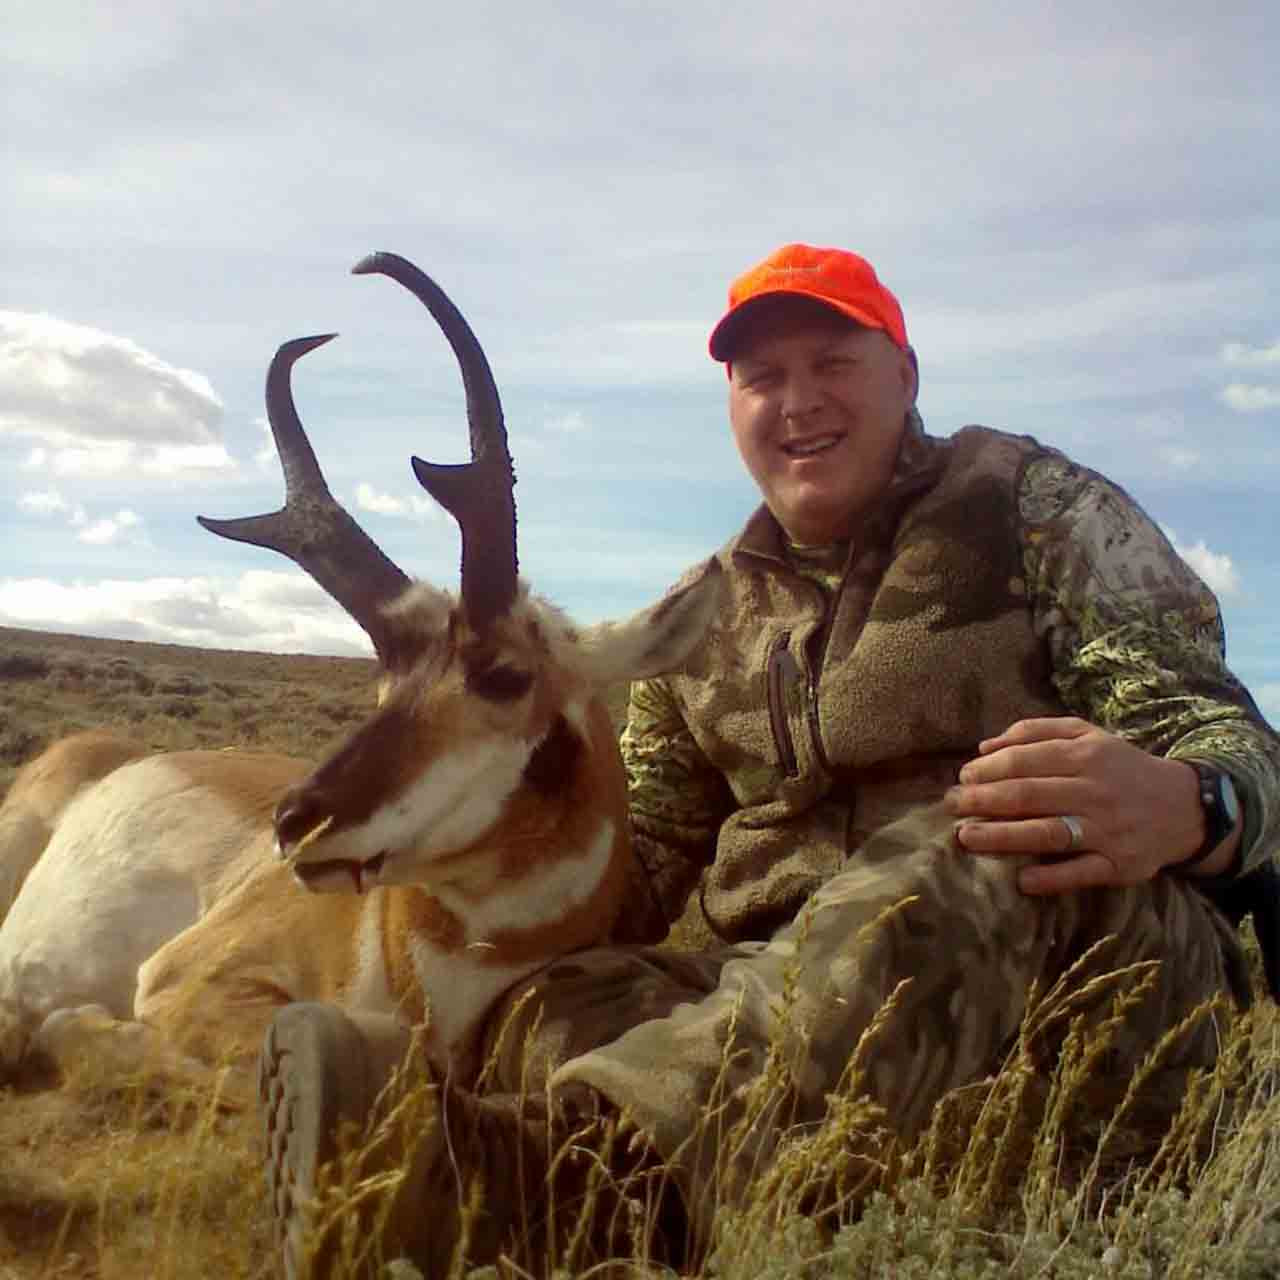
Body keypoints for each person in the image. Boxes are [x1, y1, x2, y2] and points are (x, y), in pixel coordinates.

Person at [259, 243, 1280, 1278]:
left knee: (992, 817)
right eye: (762, 377)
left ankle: (555, 1193)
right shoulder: (702, 612)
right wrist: (475, 854)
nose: (797, 400)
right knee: (542, 998)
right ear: (732, 404)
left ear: (903, 375)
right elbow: (646, 853)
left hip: (1074, 983)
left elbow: (1225, 734)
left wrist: (1192, 797)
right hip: (787, 1007)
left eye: (831, 362)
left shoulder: (1035, 510)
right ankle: (696, 1176)